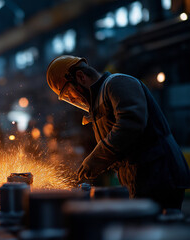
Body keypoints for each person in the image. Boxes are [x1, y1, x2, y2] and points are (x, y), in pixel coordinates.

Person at [46, 55, 190, 210]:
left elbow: (130, 124)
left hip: (160, 174)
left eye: (69, 94)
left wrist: (95, 160)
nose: (72, 100)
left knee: (157, 230)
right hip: (142, 178)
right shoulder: (99, 103)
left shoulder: (118, 83)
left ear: (80, 77)